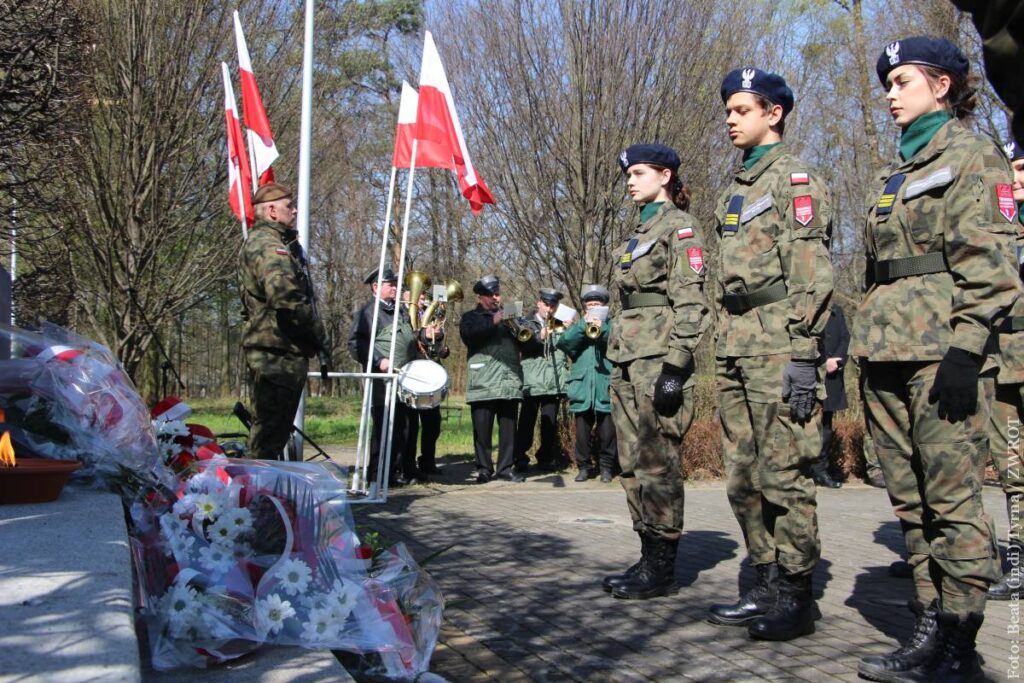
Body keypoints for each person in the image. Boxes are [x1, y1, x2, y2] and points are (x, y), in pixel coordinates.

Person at [852, 37, 1021, 682]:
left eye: (901, 81)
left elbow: (993, 267)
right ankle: (930, 622)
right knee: (910, 502)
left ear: (942, 85)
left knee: (953, 503)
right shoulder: (893, 171)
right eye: (887, 83)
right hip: (887, 354)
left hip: (941, 356)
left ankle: (960, 637)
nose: (890, 93)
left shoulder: (972, 155)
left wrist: (966, 348)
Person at [706, 68, 834, 642]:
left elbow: (810, 272)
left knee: (785, 473)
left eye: (741, 110)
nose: (730, 119)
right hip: (735, 341)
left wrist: (805, 352)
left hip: (779, 340)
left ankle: (796, 593)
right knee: (741, 475)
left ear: (773, 113)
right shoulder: (733, 191)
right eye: (729, 111)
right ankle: (764, 580)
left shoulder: (795, 180)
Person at [603, 143, 711, 600]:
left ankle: (663, 566)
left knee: (658, 461)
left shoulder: (680, 229)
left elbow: (692, 302)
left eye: (640, 173)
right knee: (630, 463)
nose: (631, 180)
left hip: (657, 359)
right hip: (626, 358)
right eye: (629, 174)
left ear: (665, 176)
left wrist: (676, 366)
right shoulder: (636, 233)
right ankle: (646, 552)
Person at [238, 183, 330, 460]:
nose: (295, 210)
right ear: (271, 211)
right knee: (269, 435)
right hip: (276, 350)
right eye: (289, 205)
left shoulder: (275, 244)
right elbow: (286, 298)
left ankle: (261, 493)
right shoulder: (268, 246)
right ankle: (255, 497)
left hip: (279, 348)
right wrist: (318, 334)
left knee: (273, 432)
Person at [987, 139, 1024, 601]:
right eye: (1012, 170)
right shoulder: (998, 228)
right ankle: (1018, 559)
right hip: (1003, 358)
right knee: (1013, 469)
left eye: (1023, 168)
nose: (1016, 179)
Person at [347, 267, 419, 487]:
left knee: (404, 428)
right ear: (376, 287)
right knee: (384, 428)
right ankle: (377, 475)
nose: (396, 288)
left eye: (396, 284)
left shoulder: (401, 311)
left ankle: (395, 472)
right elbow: (356, 344)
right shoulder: (368, 312)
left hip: (404, 379)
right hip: (382, 382)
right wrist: (379, 360)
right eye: (391, 285)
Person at [459, 275, 525, 483]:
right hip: (483, 382)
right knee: (482, 429)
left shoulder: (510, 318)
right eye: (492, 295)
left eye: (498, 294)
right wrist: (494, 321)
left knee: (508, 430)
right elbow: (469, 336)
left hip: (508, 381)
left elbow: (526, 344)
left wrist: (529, 333)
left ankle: (505, 468)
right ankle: (484, 469)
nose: (497, 298)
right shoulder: (471, 317)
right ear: (481, 297)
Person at [557, 284, 617, 483]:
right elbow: (565, 343)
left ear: (604, 307)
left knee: (608, 431)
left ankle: (606, 468)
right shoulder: (580, 326)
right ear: (585, 308)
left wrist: (602, 328)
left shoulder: (612, 326)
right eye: (589, 304)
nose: (593, 307)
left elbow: (617, 344)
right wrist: (583, 326)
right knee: (582, 432)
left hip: (605, 384)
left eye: (596, 304)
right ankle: (584, 467)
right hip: (582, 386)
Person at [515, 288, 570, 473]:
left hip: (553, 381)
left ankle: (545, 459)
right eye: (546, 304)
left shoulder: (560, 323)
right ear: (539, 303)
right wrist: (540, 336)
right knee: (526, 422)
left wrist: (571, 331)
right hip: (532, 380)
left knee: (550, 425)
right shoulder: (526, 322)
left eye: (553, 305)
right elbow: (523, 344)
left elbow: (569, 349)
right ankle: (520, 458)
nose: (550, 308)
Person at [407, 291, 448, 476]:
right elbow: (410, 339)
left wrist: (441, 346)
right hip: (411, 371)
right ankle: (408, 465)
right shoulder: (404, 313)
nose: (422, 296)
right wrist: (424, 333)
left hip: (430, 373)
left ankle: (427, 461)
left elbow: (434, 346)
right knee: (410, 425)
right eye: (419, 293)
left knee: (433, 423)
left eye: (424, 293)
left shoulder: (430, 315)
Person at [811, 303, 849, 489]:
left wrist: (837, 360)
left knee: (826, 426)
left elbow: (845, 337)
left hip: (832, 376)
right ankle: (807, 468)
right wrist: (820, 362)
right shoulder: (804, 305)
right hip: (810, 373)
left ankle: (821, 469)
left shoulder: (836, 309)